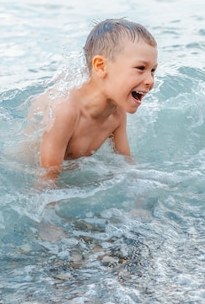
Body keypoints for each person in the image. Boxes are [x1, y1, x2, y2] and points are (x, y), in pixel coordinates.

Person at [27, 18, 158, 184]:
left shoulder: (116, 113)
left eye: (153, 70)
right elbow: (47, 179)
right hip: (22, 168)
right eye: (141, 68)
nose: (150, 80)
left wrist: (139, 204)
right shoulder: (66, 110)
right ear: (101, 67)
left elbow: (125, 165)